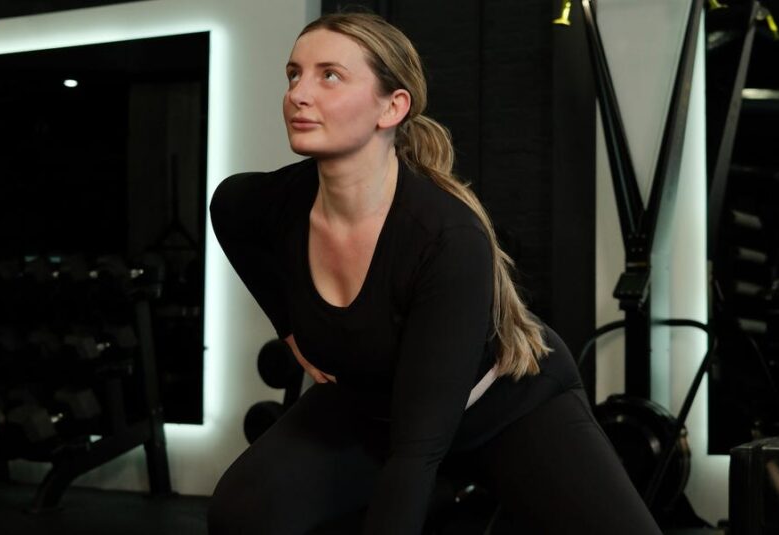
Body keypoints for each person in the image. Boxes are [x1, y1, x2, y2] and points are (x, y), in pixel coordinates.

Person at [207, 11, 661, 535]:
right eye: (294, 74)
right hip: (374, 409)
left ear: (392, 107)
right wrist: (289, 327)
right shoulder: (270, 203)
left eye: (329, 75)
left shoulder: (445, 237)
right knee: (241, 514)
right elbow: (226, 213)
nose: (297, 94)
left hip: (505, 408)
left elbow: (414, 454)